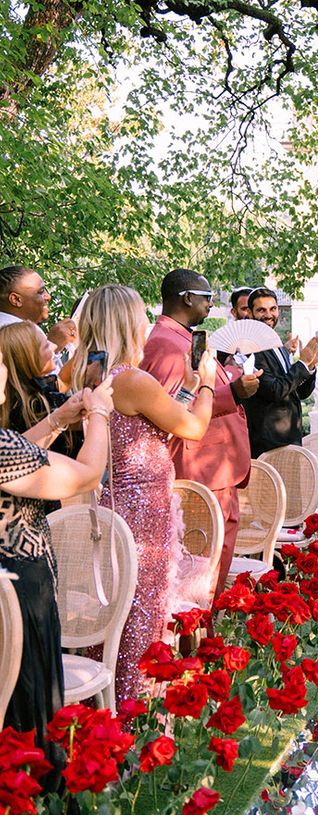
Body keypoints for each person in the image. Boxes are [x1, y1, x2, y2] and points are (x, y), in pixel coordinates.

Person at [70, 285, 219, 707]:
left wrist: (186, 388)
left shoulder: (95, 376)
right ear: (127, 322)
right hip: (142, 514)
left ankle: (102, 710)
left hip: (117, 506)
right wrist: (207, 385)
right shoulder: (133, 378)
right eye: (140, 316)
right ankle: (135, 711)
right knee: (143, 615)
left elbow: (157, 423)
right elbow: (193, 428)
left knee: (118, 613)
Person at [0, 342, 112, 775]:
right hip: (18, 596)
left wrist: (59, 418)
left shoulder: (8, 446)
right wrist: (100, 414)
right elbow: (84, 475)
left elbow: (20, 456)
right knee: (24, 712)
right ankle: (28, 799)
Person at [141, 268, 260, 601]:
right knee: (200, 574)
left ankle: (208, 624)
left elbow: (193, 389)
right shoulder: (165, 344)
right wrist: (232, 392)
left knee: (215, 565)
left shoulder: (185, 337)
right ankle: (198, 629)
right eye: (206, 297)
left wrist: (229, 377)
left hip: (219, 469)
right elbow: (170, 410)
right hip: (201, 473)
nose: (210, 304)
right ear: (187, 298)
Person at [240, 286, 318, 457]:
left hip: (291, 439)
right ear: (249, 313)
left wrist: (310, 366)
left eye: (273, 309)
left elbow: (300, 393)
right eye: (261, 310)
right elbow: (275, 390)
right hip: (268, 443)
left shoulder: (278, 345)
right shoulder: (248, 349)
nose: (269, 315)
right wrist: (302, 363)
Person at [0, 321, 80, 460]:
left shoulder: (23, 391)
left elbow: (63, 381)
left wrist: (82, 352)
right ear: (29, 359)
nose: (54, 346)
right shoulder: (37, 405)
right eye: (46, 346)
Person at [0, 265, 78, 354]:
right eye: (40, 292)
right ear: (16, 299)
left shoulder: (25, 328)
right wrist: (51, 345)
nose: (48, 296)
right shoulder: (11, 335)